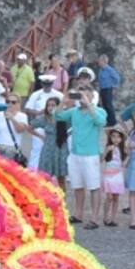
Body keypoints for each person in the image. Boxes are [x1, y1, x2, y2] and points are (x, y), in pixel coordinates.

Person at [57, 88, 107, 228]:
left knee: (94, 186)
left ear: (92, 97)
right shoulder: (74, 112)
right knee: (77, 186)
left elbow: (101, 122)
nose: (83, 98)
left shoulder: (99, 111)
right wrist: (64, 101)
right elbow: (58, 116)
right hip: (75, 154)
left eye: (87, 95)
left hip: (90, 155)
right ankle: (78, 214)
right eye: (82, 96)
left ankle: (95, 218)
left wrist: (89, 104)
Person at [31, 94, 69, 189]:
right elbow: (30, 127)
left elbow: (73, 127)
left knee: (61, 178)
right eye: (49, 105)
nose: (50, 107)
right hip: (48, 149)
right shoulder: (43, 118)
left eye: (53, 105)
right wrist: (40, 136)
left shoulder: (64, 117)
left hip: (61, 148)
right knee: (45, 177)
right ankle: (48, 199)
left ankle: (62, 200)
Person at [24, 74, 63, 166]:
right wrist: (38, 113)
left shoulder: (59, 95)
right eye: (45, 84)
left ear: (52, 84)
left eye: (49, 84)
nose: (47, 86)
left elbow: (65, 108)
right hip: (40, 124)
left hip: (54, 125)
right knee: (37, 148)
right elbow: (27, 109)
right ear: (42, 84)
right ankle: (33, 171)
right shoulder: (36, 94)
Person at [0, 93, 28, 163]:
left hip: (11, 149)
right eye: (8, 102)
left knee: (6, 172)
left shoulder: (22, 116)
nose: (10, 104)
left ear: (18, 104)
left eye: (13, 102)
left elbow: (20, 130)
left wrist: (12, 118)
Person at [101, 130, 127, 226]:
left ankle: (113, 218)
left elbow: (124, 163)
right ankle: (105, 216)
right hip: (108, 175)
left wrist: (128, 155)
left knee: (116, 197)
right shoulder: (108, 148)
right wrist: (107, 151)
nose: (116, 139)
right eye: (113, 136)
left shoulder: (122, 149)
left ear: (121, 139)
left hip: (118, 175)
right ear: (110, 138)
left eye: (118, 137)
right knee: (109, 197)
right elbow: (101, 159)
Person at [96, 55, 120, 127]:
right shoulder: (101, 70)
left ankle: (113, 122)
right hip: (102, 89)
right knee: (105, 106)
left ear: (104, 61)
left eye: (100, 60)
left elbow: (117, 79)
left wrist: (114, 88)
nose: (98, 62)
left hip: (108, 89)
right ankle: (109, 121)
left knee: (109, 106)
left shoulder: (109, 70)